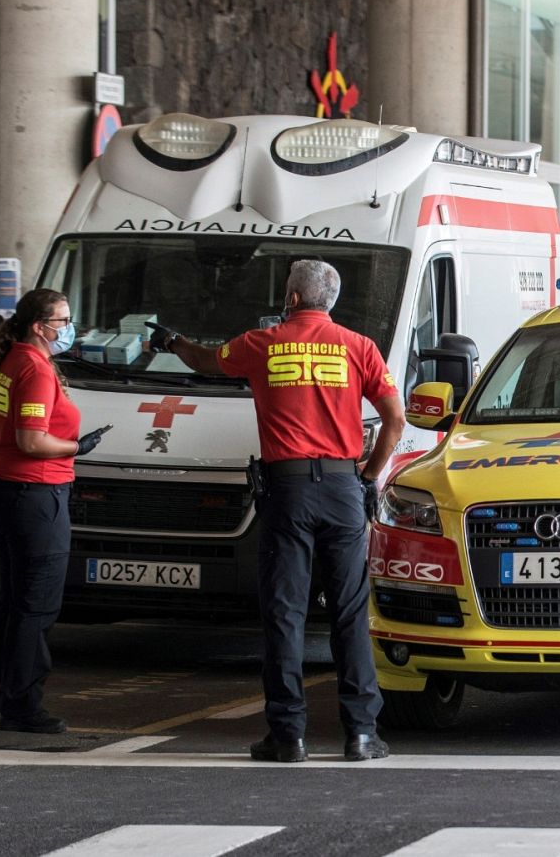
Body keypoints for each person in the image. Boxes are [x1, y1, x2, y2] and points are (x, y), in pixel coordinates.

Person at [151, 259, 406, 761]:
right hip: (341, 489)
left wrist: (173, 342)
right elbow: (395, 421)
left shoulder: (259, 344)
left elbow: (206, 361)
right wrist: (368, 476)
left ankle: (287, 736)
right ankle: (360, 734)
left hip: (288, 493)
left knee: (286, 613)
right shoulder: (360, 348)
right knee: (351, 612)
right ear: (330, 301)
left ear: (290, 299)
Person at [0, 289, 111, 734]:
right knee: (36, 606)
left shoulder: (13, 359)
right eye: (63, 320)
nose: (69, 328)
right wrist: (78, 446)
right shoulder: (34, 369)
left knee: (15, 603)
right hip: (33, 496)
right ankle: (23, 707)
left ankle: (5, 698)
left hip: (4, 492)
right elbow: (31, 441)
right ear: (40, 325)